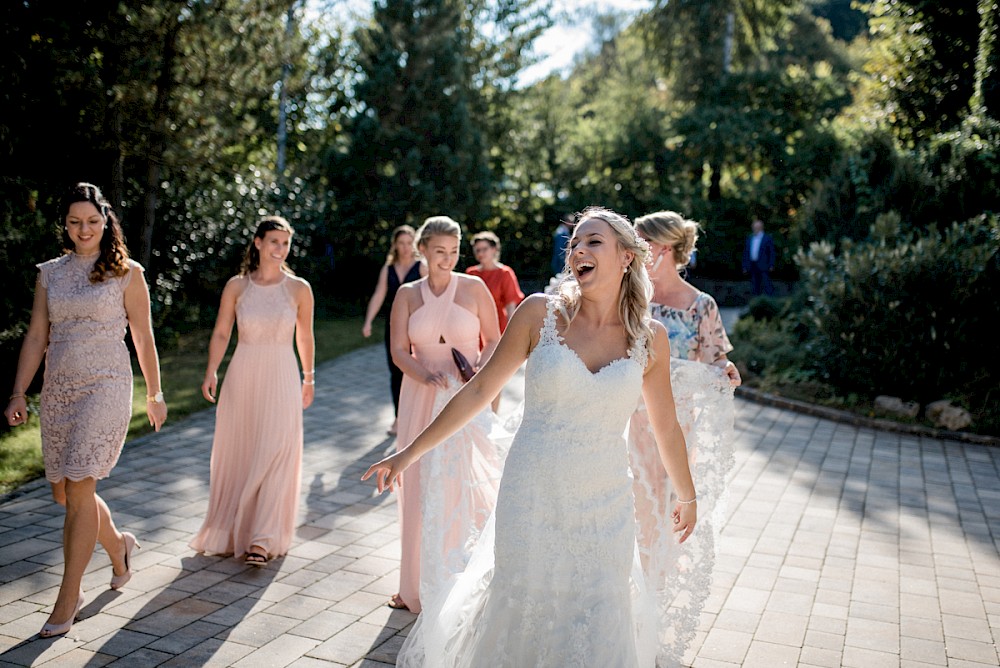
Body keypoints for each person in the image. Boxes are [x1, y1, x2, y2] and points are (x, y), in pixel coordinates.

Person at [364, 206, 697, 666]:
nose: (578, 249)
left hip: (605, 503)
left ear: (626, 257)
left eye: (593, 241)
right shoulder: (539, 313)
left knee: (599, 612)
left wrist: (688, 495)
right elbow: (480, 388)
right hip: (533, 493)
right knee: (526, 609)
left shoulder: (649, 338)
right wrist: (407, 453)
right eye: (575, 243)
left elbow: (666, 426)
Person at [3, 182, 167, 638]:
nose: (84, 229)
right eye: (75, 222)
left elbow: (143, 336)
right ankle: (119, 547)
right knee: (66, 494)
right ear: (66, 225)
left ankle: (67, 597)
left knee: (79, 487)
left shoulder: (126, 272)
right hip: (59, 389)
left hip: (107, 386)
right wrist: (19, 391)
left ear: (106, 222)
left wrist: (154, 393)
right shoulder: (50, 274)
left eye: (92, 221)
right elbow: (37, 335)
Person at [630, 210, 741, 662]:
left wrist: (725, 371)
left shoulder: (702, 305)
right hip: (628, 424)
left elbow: (716, 360)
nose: (634, 253)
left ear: (665, 248)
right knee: (634, 510)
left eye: (640, 244)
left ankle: (653, 605)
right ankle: (629, 605)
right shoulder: (631, 299)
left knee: (665, 512)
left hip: (679, 428)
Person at [385, 216, 503, 613]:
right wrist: (425, 374)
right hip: (419, 396)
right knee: (417, 483)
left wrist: (476, 380)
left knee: (463, 480)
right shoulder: (406, 294)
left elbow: (495, 342)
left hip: (466, 396)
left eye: (454, 252)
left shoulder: (474, 287)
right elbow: (399, 350)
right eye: (440, 252)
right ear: (423, 250)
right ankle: (414, 583)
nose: (448, 259)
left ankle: (464, 571)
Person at [189, 216, 315, 567]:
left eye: (285, 243)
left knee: (277, 450)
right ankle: (232, 530)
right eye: (274, 241)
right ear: (258, 242)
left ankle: (263, 538)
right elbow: (220, 332)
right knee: (240, 452)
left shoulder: (299, 289)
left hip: (282, 373)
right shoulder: (237, 287)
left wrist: (309, 377)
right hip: (243, 373)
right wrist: (211, 369)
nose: (280, 249)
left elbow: (305, 336)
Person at [362, 225, 426, 435]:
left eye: (409, 243)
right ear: (395, 245)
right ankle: (399, 418)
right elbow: (379, 294)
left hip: (418, 327)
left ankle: (420, 416)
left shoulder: (422, 267)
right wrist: (368, 321)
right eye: (401, 243)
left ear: (414, 244)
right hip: (395, 327)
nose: (405, 247)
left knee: (418, 369)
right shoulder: (388, 268)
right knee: (396, 372)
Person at [466, 231, 524, 333]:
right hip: (475, 325)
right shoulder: (471, 273)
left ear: (494, 249)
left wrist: (512, 332)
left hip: (498, 325)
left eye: (484, 249)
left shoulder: (505, 273)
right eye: (477, 250)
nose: (481, 253)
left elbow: (510, 306)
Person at [742, 217, 775, 296]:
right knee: (754, 285)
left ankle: (768, 301)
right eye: (754, 227)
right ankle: (756, 301)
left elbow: (771, 252)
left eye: (756, 227)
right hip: (753, 264)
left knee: (766, 284)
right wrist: (745, 266)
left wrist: (771, 264)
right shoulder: (750, 238)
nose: (754, 229)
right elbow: (746, 253)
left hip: (764, 265)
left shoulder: (767, 238)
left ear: (760, 228)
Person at [550, 212, 575, 276]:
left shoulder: (561, 231)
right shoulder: (562, 233)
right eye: (571, 222)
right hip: (560, 263)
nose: (572, 224)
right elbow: (560, 250)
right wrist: (565, 262)